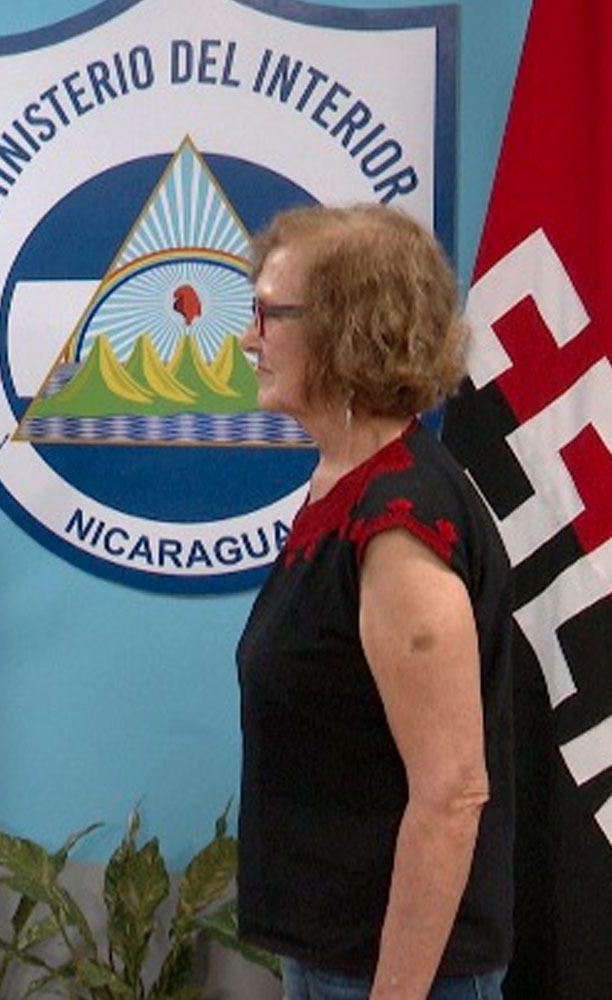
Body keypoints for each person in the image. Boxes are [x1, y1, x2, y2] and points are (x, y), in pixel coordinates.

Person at [235, 204, 514, 1000]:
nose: (249, 339)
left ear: (345, 329)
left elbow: (453, 793)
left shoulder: (399, 527)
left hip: (392, 975)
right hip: (335, 956)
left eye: (268, 315)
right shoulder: (346, 484)